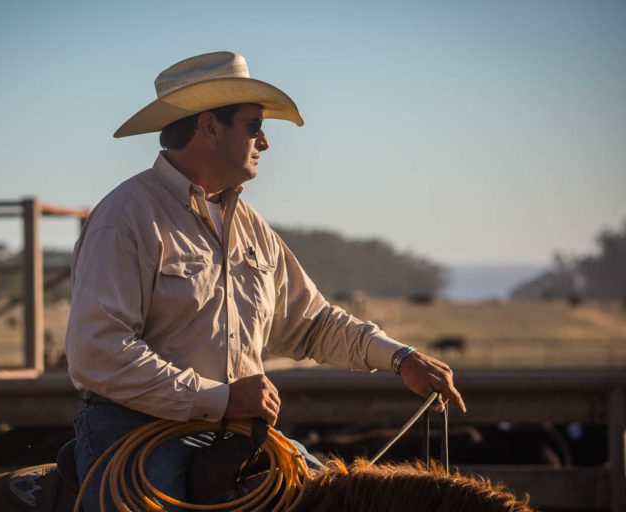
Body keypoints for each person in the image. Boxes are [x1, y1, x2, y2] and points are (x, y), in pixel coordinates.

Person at [64, 51, 466, 511]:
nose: (265, 141)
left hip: (234, 433)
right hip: (135, 433)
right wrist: (221, 399)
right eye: (254, 126)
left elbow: (311, 323)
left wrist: (400, 357)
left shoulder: (251, 229)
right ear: (210, 126)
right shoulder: (127, 217)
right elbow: (98, 351)